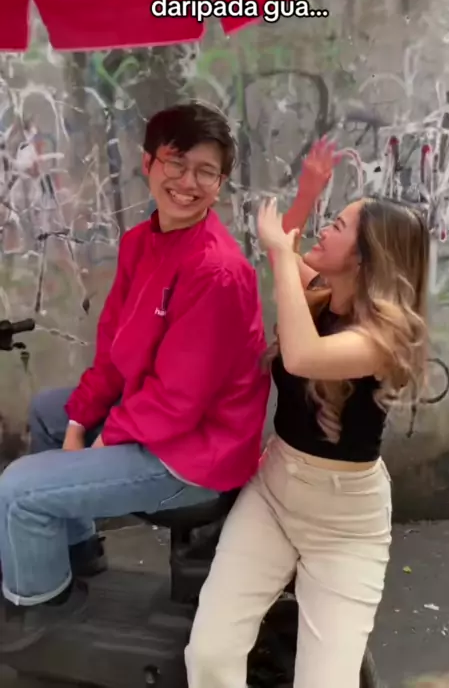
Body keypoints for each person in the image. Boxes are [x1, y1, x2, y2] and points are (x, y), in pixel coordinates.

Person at [0, 101, 270, 652]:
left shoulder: (217, 272)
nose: (188, 183)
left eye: (206, 172)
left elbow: (179, 401)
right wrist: (79, 422)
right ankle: (78, 553)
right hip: (157, 420)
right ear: (148, 163)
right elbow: (113, 353)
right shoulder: (142, 243)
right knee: (52, 412)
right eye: (176, 163)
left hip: (194, 455)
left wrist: (102, 441)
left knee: (18, 492)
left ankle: (41, 611)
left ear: (220, 184)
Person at [185, 138, 430, 688]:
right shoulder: (320, 295)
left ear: (365, 258)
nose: (324, 228)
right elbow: (286, 248)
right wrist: (306, 194)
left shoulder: (382, 340)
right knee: (210, 655)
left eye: (337, 225)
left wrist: (280, 249)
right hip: (273, 493)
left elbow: (302, 355)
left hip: (346, 525)